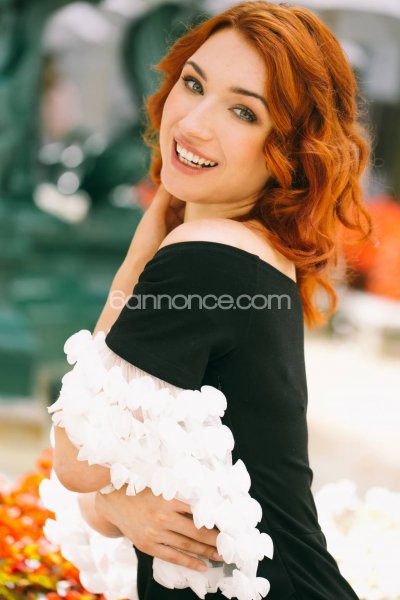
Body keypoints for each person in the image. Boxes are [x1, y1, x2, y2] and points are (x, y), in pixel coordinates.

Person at [48, 2, 374, 599]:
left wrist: (140, 254)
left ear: (289, 149)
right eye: (194, 84)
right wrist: (118, 502)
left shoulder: (207, 256)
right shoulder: (251, 251)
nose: (194, 123)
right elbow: (107, 487)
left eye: (244, 111)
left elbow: (75, 459)